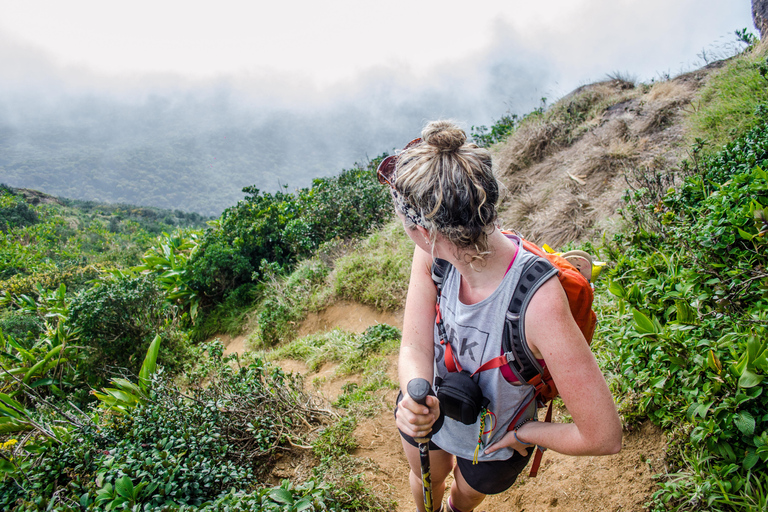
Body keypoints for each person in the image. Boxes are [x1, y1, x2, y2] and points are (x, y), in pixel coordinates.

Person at [379, 120, 622, 512]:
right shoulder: (431, 255)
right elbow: (414, 344)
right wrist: (414, 393)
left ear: (426, 230)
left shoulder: (539, 301)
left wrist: (531, 432)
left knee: (465, 493)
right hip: (437, 414)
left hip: (498, 442)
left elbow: (604, 436)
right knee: (428, 479)